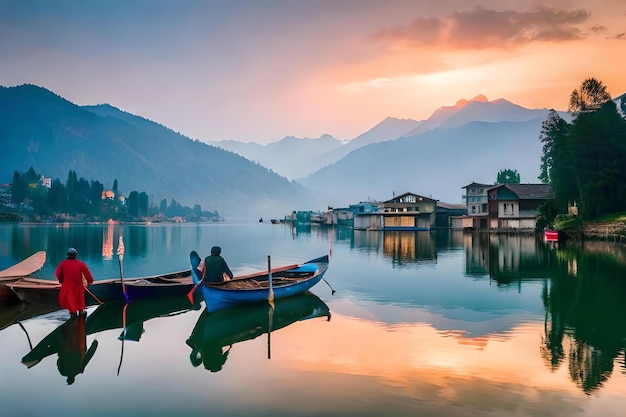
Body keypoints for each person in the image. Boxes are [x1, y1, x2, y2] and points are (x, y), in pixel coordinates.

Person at [56, 247, 94, 316]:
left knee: (71, 302)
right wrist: (90, 281)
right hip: (78, 286)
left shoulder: (63, 264)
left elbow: (58, 274)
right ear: (75, 255)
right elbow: (88, 275)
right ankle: (81, 311)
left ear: (67, 255)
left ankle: (73, 314)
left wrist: (62, 281)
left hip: (67, 287)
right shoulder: (80, 264)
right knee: (80, 300)